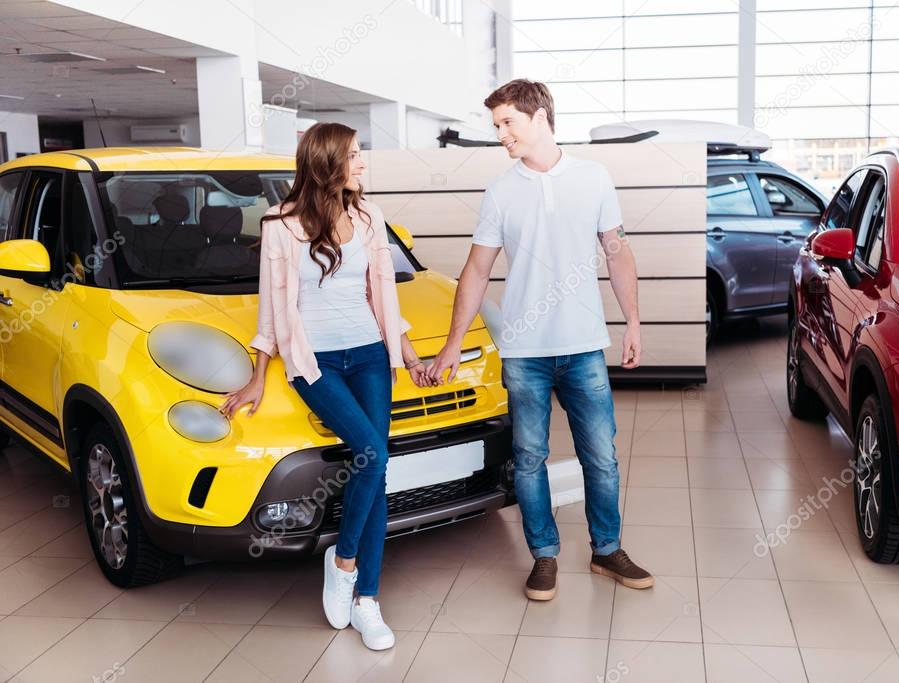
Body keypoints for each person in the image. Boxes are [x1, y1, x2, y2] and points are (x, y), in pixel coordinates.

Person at [428, 79, 653, 600]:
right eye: (497, 125)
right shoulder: (501, 192)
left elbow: (616, 253)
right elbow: (476, 271)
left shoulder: (594, 178)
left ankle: (607, 549)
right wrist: (450, 343)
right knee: (529, 459)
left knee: (601, 456)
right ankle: (544, 557)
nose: (501, 135)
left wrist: (634, 322)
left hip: (583, 347)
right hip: (524, 351)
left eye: (508, 122)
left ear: (540, 117)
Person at [219, 123, 432, 650]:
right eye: (355, 155)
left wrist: (406, 352)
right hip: (316, 363)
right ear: (326, 162)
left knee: (375, 469)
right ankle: (342, 565)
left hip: (368, 357)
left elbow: (382, 291)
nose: (363, 164)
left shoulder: (368, 216)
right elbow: (271, 306)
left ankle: (367, 600)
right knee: (372, 455)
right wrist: (257, 374)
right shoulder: (280, 224)